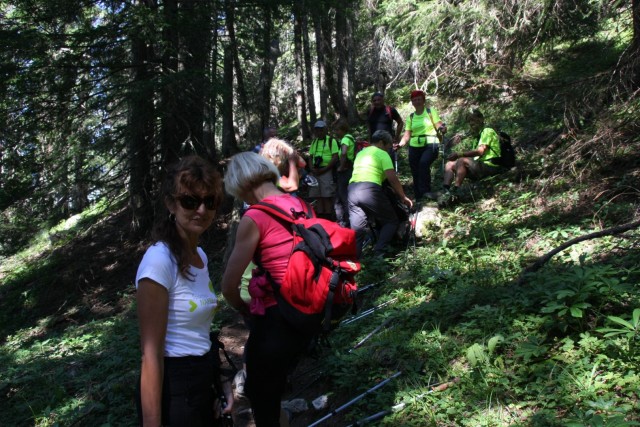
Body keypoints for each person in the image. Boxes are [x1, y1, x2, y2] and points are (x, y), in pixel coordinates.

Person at [135, 155, 232, 427]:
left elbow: (200, 335)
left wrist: (219, 383)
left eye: (209, 201)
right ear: (171, 204)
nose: (201, 210)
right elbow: (151, 355)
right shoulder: (159, 261)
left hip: (202, 381)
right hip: (174, 391)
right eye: (190, 201)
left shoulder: (200, 255)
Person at [221, 152, 314, 427]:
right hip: (308, 314)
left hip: (277, 318)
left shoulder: (255, 217)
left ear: (241, 183)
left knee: (261, 399)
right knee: (273, 385)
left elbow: (229, 285)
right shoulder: (302, 205)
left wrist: (243, 307)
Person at [348, 130, 413, 258]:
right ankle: (379, 253)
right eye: (388, 146)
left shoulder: (361, 153)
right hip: (369, 190)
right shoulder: (382, 154)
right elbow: (392, 178)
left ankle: (354, 261)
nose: (389, 150)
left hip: (352, 190)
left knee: (357, 230)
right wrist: (403, 196)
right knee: (391, 221)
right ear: (382, 143)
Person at [439, 109, 502, 205]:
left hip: (490, 165)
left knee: (461, 160)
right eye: (469, 121)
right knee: (450, 164)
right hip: (481, 166)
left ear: (481, 119)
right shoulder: (477, 136)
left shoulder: (487, 131)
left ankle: (456, 191)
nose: (471, 123)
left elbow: (480, 151)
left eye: (473, 119)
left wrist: (459, 154)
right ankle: (445, 190)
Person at [396, 90, 447, 200]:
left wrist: (442, 128)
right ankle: (418, 197)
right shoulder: (411, 117)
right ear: (412, 102)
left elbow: (438, 124)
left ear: (423, 100)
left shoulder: (430, 111)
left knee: (423, 164)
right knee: (415, 170)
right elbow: (407, 135)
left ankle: (425, 193)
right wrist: (400, 145)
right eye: (414, 100)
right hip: (414, 146)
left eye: (419, 99)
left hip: (431, 144)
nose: (417, 101)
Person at [308, 120, 339, 219]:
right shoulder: (314, 142)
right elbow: (310, 156)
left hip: (326, 171)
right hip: (316, 171)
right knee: (318, 196)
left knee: (327, 195)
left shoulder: (331, 141)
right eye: (317, 130)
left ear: (325, 130)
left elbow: (335, 157)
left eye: (321, 130)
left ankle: (329, 216)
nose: (319, 132)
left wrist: (325, 169)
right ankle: (321, 216)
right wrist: (311, 168)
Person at [333, 118, 355, 227]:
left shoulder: (345, 139)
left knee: (344, 196)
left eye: (337, 130)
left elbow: (344, 153)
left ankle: (347, 221)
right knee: (343, 195)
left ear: (342, 130)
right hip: (350, 169)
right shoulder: (351, 138)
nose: (336, 132)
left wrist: (341, 167)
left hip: (345, 171)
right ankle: (346, 220)